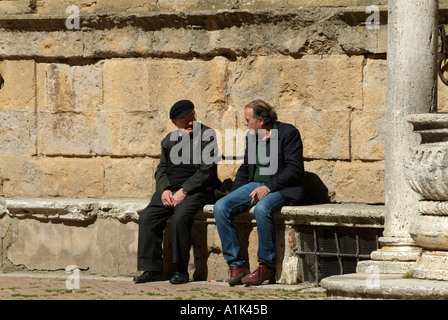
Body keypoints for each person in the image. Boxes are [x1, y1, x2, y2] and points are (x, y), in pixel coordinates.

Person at [213, 99, 305, 286]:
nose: (245, 123)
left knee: (262, 209)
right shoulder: (253, 136)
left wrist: (268, 187)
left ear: (261, 120)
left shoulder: (288, 133)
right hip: (254, 185)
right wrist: (235, 194)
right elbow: (246, 168)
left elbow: (294, 169)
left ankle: (266, 265)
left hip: (281, 188)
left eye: (248, 120)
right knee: (221, 206)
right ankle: (236, 265)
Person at [134, 100, 221, 284]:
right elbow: (161, 169)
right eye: (185, 119)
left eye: (192, 117)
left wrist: (185, 190)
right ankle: (151, 269)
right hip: (170, 189)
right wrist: (164, 189)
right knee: (148, 217)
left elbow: (207, 170)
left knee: (181, 217)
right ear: (175, 122)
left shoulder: (207, 135)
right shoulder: (168, 140)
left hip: (196, 189)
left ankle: (180, 271)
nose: (191, 122)